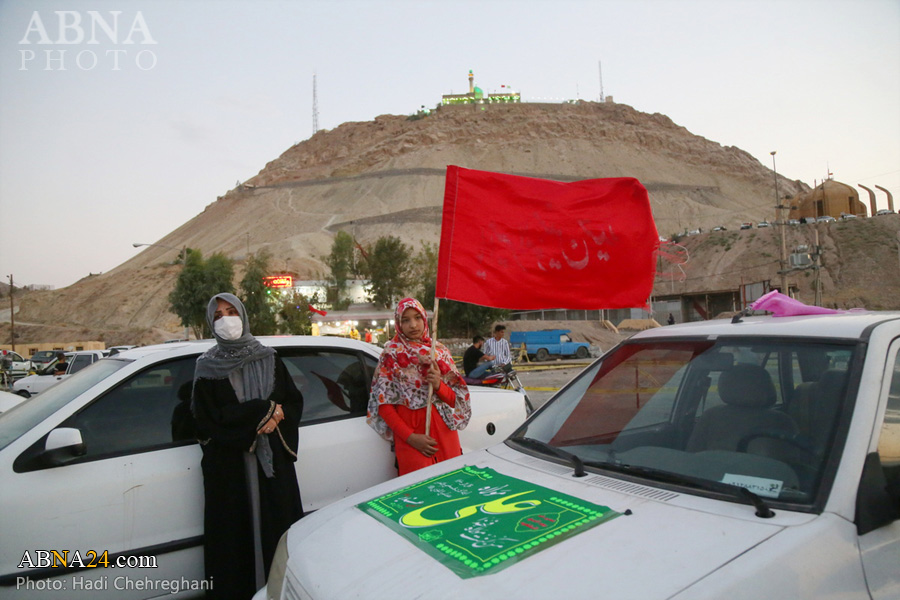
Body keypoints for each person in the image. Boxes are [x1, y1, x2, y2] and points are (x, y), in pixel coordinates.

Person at [191, 293, 304, 599]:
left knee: (277, 534)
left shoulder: (269, 358)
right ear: (210, 323)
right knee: (234, 542)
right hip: (231, 473)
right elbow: (207, 421)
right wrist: (259, 414)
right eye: (218, 316)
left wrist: (278, 413)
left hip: (273, 472)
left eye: (231, 311)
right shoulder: (206, 369)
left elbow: (292, 401)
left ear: (243, 314)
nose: (226, 319)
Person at [367, 297, 471, 475]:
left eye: (417, 318)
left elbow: (456, 400)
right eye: (405, 320)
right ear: (398, 324)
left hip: (445, 436)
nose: (413, 325)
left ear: (425, 319)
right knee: (420, 496)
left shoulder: (439, 351)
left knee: (453, 489)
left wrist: (438, 384)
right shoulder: (391, 355)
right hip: (412, 441)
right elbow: (384, 406)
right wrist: (411, 438)